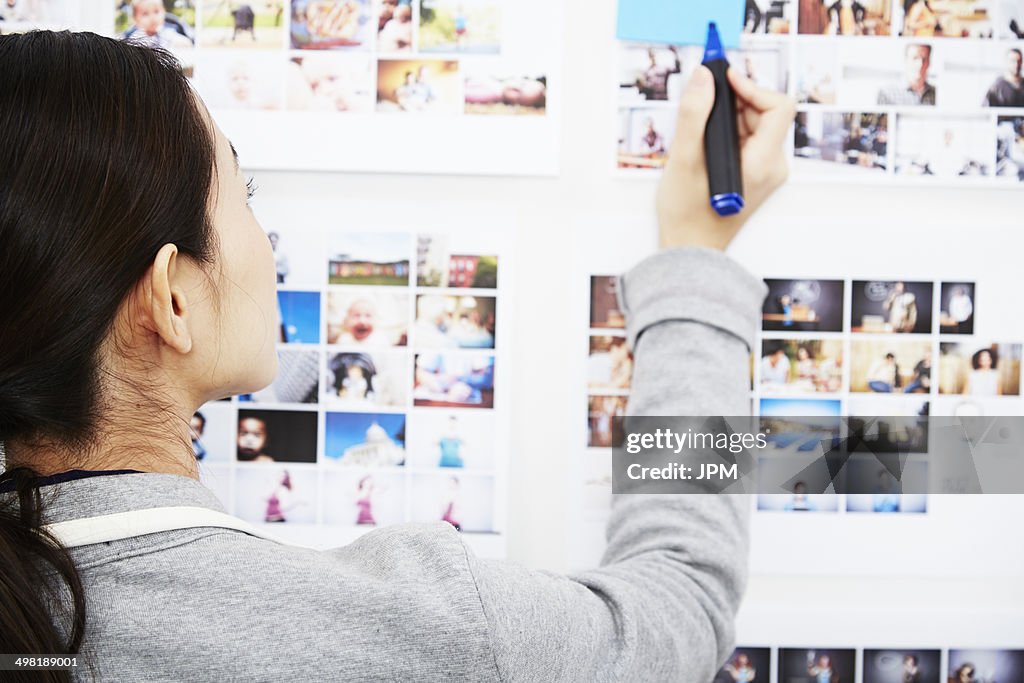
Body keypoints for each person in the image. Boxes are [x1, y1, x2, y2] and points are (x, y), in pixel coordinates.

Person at [0, 30, 795, 680]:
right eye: (246, 193)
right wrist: (699, 258)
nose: (264, 241)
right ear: (172, 299)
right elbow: (682, 604)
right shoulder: (415, 627)